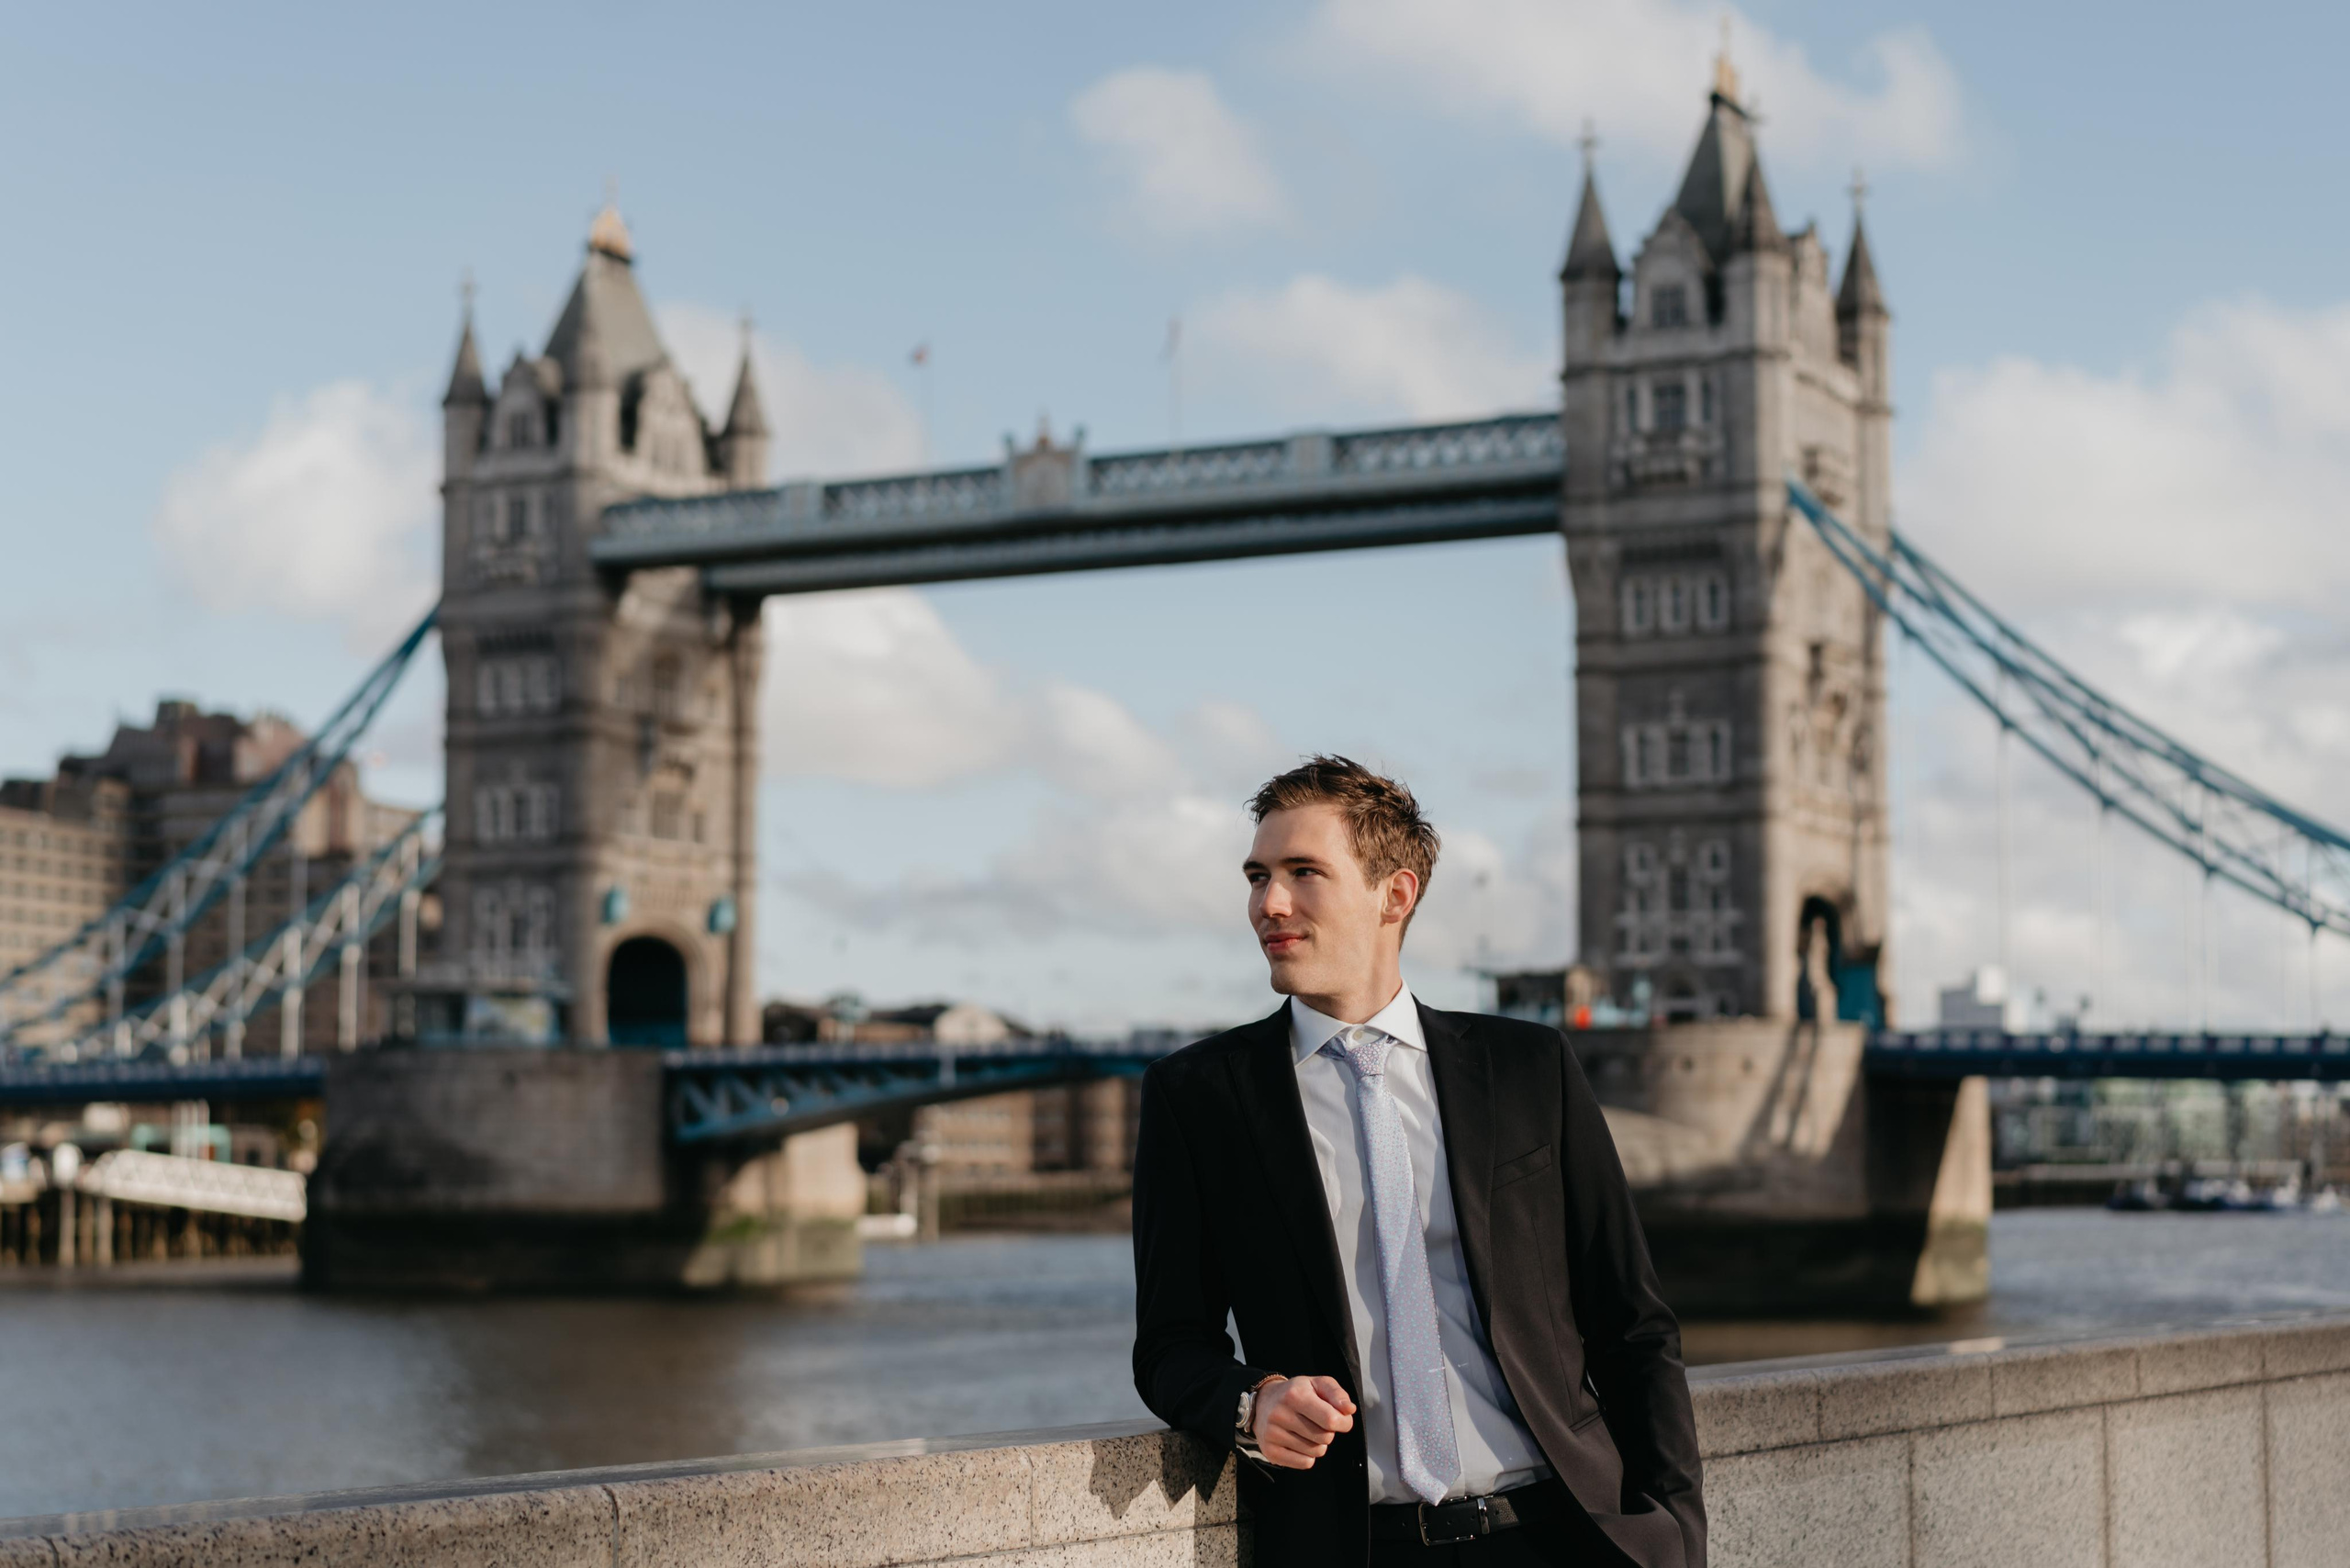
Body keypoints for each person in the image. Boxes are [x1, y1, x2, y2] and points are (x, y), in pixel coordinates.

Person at [1131, 756, 1705, 1566]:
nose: (1270, 903)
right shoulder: (1197, 1097)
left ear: (1393, 895)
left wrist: (1675, 1537)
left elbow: (1632, 1324)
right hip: (1355, 1548)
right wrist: (1252, 1401)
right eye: (1258, 875)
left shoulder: (1528, 1067)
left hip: (1564, 1535)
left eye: (1304, 873)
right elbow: (1169, 1345)